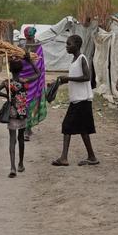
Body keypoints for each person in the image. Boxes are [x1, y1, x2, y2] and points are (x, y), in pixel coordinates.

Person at [51, 35, 99, 167]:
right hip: (78, 100)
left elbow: (87, 77)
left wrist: (69, 78)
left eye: (69, 44)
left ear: (77, 45)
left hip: (82, 100)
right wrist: (57, 83)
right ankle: (92, 157)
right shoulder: (74, 60)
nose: (66, 46)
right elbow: (73, 79)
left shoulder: (82, 59)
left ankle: (64, 158)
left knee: (67, 126)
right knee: (83, 129)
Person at [0, 54, 40, 178]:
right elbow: (38, 74)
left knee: (12, 140)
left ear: (10, 69)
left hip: (12, 114)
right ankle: (20, 164)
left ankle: (12, 167)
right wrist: (30, 61)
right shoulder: (24, 81)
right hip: (23, 113)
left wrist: (7, 97)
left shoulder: (7, 83)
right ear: (21, 70)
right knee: (21, 139)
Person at [21, 26, 47, 140]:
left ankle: (27, 129)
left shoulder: (37, 47)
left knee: (29, 104)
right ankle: (27, 128)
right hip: (26, 78)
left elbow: (40, 64)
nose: (29, 37)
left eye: (29, 36)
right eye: (28, 35)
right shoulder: (21, 47)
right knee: (26, 104)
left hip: (34, 79)